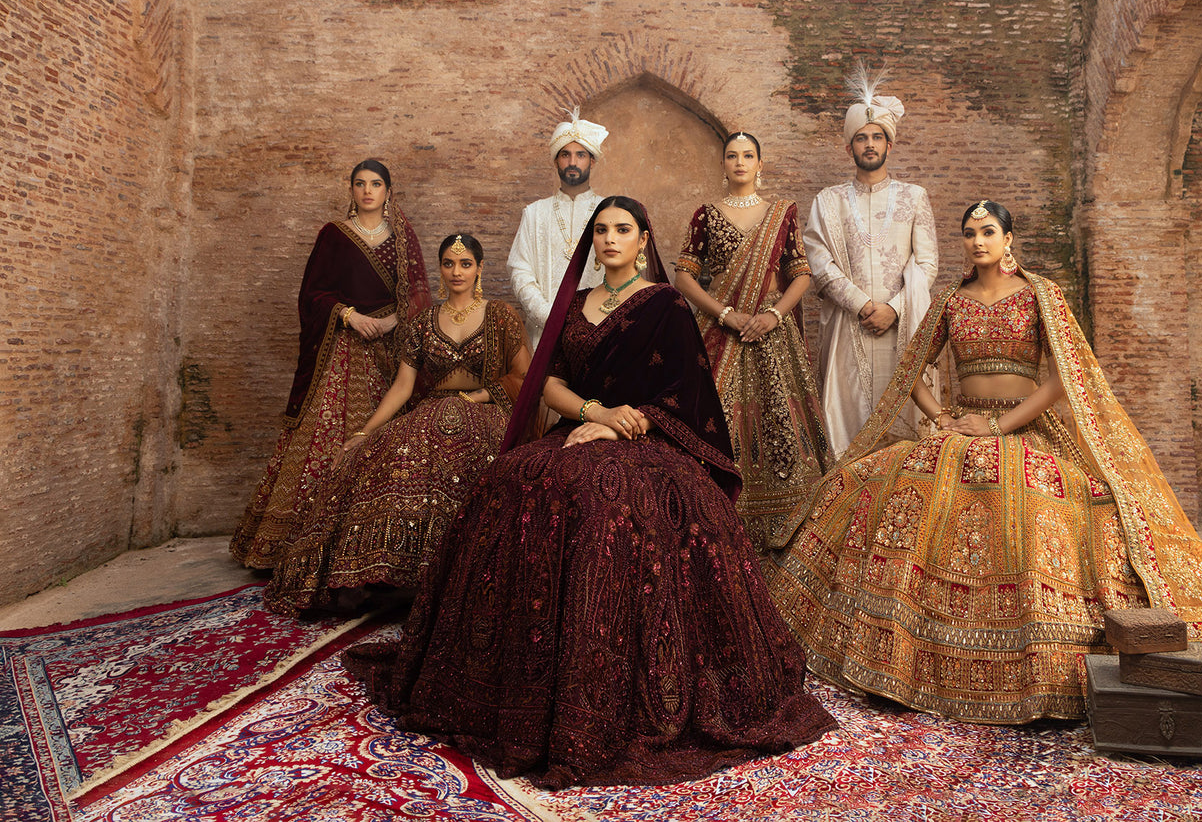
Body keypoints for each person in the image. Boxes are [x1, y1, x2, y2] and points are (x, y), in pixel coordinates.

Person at [344, 196, 834, 789]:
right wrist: (592, 412)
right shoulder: (573, 307)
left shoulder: (667, 307)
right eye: (600, 230)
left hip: (649, 439)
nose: (609, 239)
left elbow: (688, 392)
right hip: (577, 428)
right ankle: (513, 683)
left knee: (605, 500)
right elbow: (546, 381)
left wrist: (627, 420)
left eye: (622, 229)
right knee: (511, 481)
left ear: (643, 239)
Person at [768, 200, 1202, 724]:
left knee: (1063, 501)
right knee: (881, 484)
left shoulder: (1041, 295)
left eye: (988, 231)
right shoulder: (950, 300)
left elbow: (1060, 380)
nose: (977, 241)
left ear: (1009, 239)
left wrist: (1000, 426)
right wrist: (943, 416)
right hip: (963, 427)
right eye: (968, 233)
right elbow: (910, 368)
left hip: (1027, 430)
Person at [264, 234, 531, 616]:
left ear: (479, 269)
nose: (457, 272)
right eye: (449, 264)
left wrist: (476, 398)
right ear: (440, 269)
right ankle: (377, 577)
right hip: (429, 412)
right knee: (382, 459)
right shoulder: (423, 322)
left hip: (486, 412)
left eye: (466, 263)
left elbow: (524, 378)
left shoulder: (501, 316)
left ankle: (458, 580)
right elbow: (403, 388)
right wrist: (364, 431)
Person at [231, 159, 430, 570]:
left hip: (390, 353)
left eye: (376, 184)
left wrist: (395, 319)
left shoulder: (403, 238)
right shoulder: (333, 235)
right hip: (341, 350)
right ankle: (296, 546)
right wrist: (348, 315)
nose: (368, 191)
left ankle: (371, 549)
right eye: (360, 184)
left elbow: (419, 292)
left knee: (386, 437)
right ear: (351, 190)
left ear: (389, 191)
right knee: (323, 436)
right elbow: (311, 294)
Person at [674, 132, 832, 551]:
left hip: (771, 335)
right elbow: (684, 276)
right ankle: (716, 518)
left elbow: (801, 274)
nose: (740, 162)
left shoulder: (782, 213)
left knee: (778, 418)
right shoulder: (705, 215)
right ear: (722, 164)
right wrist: (725, 313)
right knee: (714, 417)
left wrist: (773, 315)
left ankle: (783, 529)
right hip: (719, 333)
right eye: (732, 155)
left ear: (761, 164)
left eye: (748, 155)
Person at [805, 67, 938, 454]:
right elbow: (820, 262)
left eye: (877, 137)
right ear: (849, 148)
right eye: (861, 138)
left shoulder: (915, 197)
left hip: (903, 328)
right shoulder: (827, 201)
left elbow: (927, 264)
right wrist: (863, 305)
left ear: (889, 145)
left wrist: (895, 309)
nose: (869, 144)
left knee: (907, 438)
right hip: (850, 329)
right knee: (848, 430)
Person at [507, 108, 607, 347]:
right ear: (555, 161)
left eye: (580, 155)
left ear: (592, 161)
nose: (572, 162)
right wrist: (550, 318)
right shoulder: (534, 213)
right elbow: (520, 272)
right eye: (565, 155)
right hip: (545, 332)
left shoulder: (609, 210)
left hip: (599, 329)